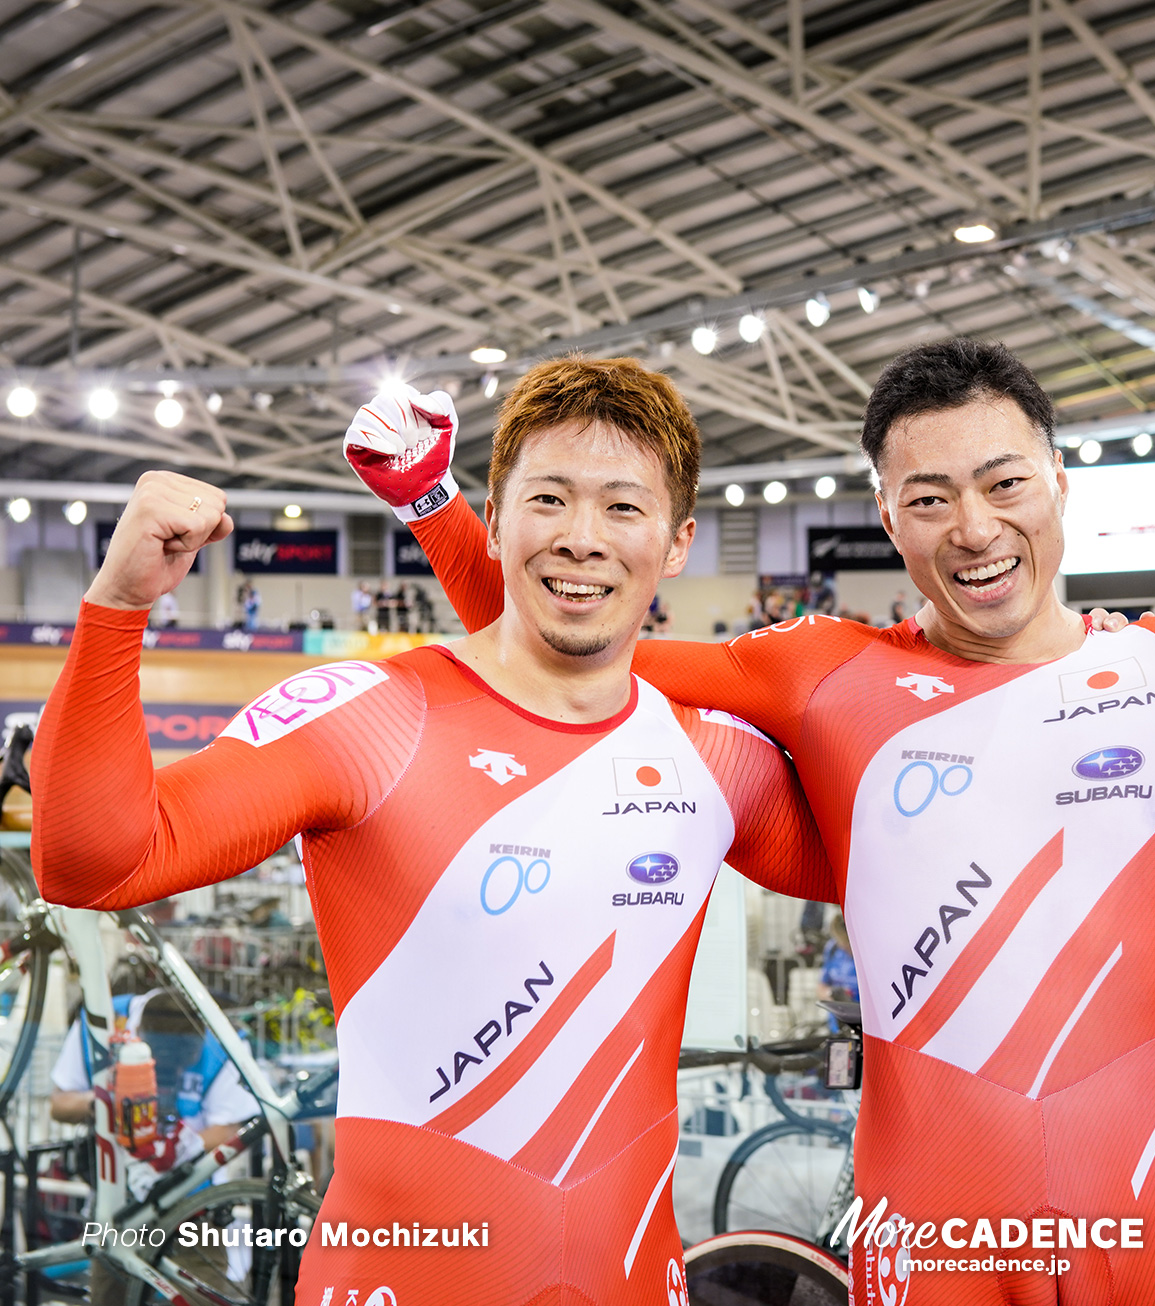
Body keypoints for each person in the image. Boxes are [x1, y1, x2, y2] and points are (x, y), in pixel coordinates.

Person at [367, 339, 1155, 1304]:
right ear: (889, 517)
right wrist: (435, 508)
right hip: (937, 1235)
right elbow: (564, 650)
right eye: (930, 499)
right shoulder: (823, 673)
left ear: (1058, 483)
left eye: (1005, 483)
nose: (975, 529)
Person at [33, 361, 835, 1305]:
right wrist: (119, 605)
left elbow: (898, 866)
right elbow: (95, 859)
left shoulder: (716, 758)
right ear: (493, 521)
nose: (582, 538)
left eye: (624, 508)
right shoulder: (368, 720)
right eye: (548, 499)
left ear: (676, 545)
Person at [50, 988, 256, 1305]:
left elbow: (233, 1127)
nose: (169, 1074)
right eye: (162, 1064)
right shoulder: (102, 1019)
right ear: (139, 1035)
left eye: (184, 1062)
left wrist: (184, 1148)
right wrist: (104, 1103)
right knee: (110, 1295)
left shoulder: (224, 1037)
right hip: (119, 1204)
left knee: (201, 1294)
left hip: (194, 1206)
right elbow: (60, 1104)